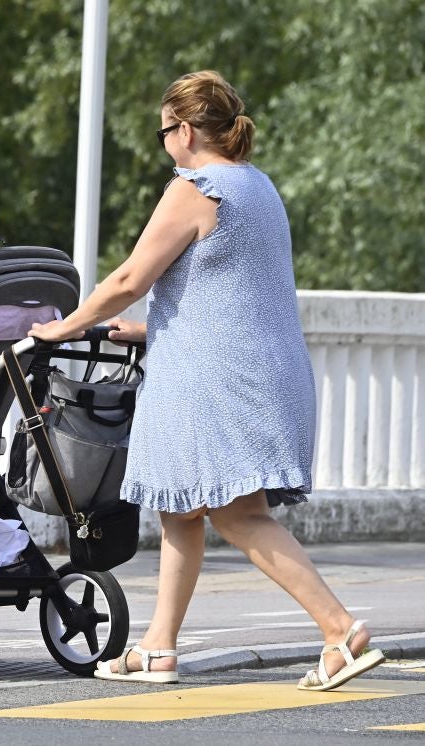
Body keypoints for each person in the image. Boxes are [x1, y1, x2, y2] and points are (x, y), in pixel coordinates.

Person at [29, 70, 384, 692]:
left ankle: (339, 630)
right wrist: (150, 331)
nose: (163, 143)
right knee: (181, 511)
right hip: (263, 372)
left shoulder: (194, 186)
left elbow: (128, 279)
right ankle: (158, 649)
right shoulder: (257, 185)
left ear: (185, 130)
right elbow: (237, 291)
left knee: (238, 516)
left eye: (164, 131)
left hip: (220, 384)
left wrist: (66, 327)